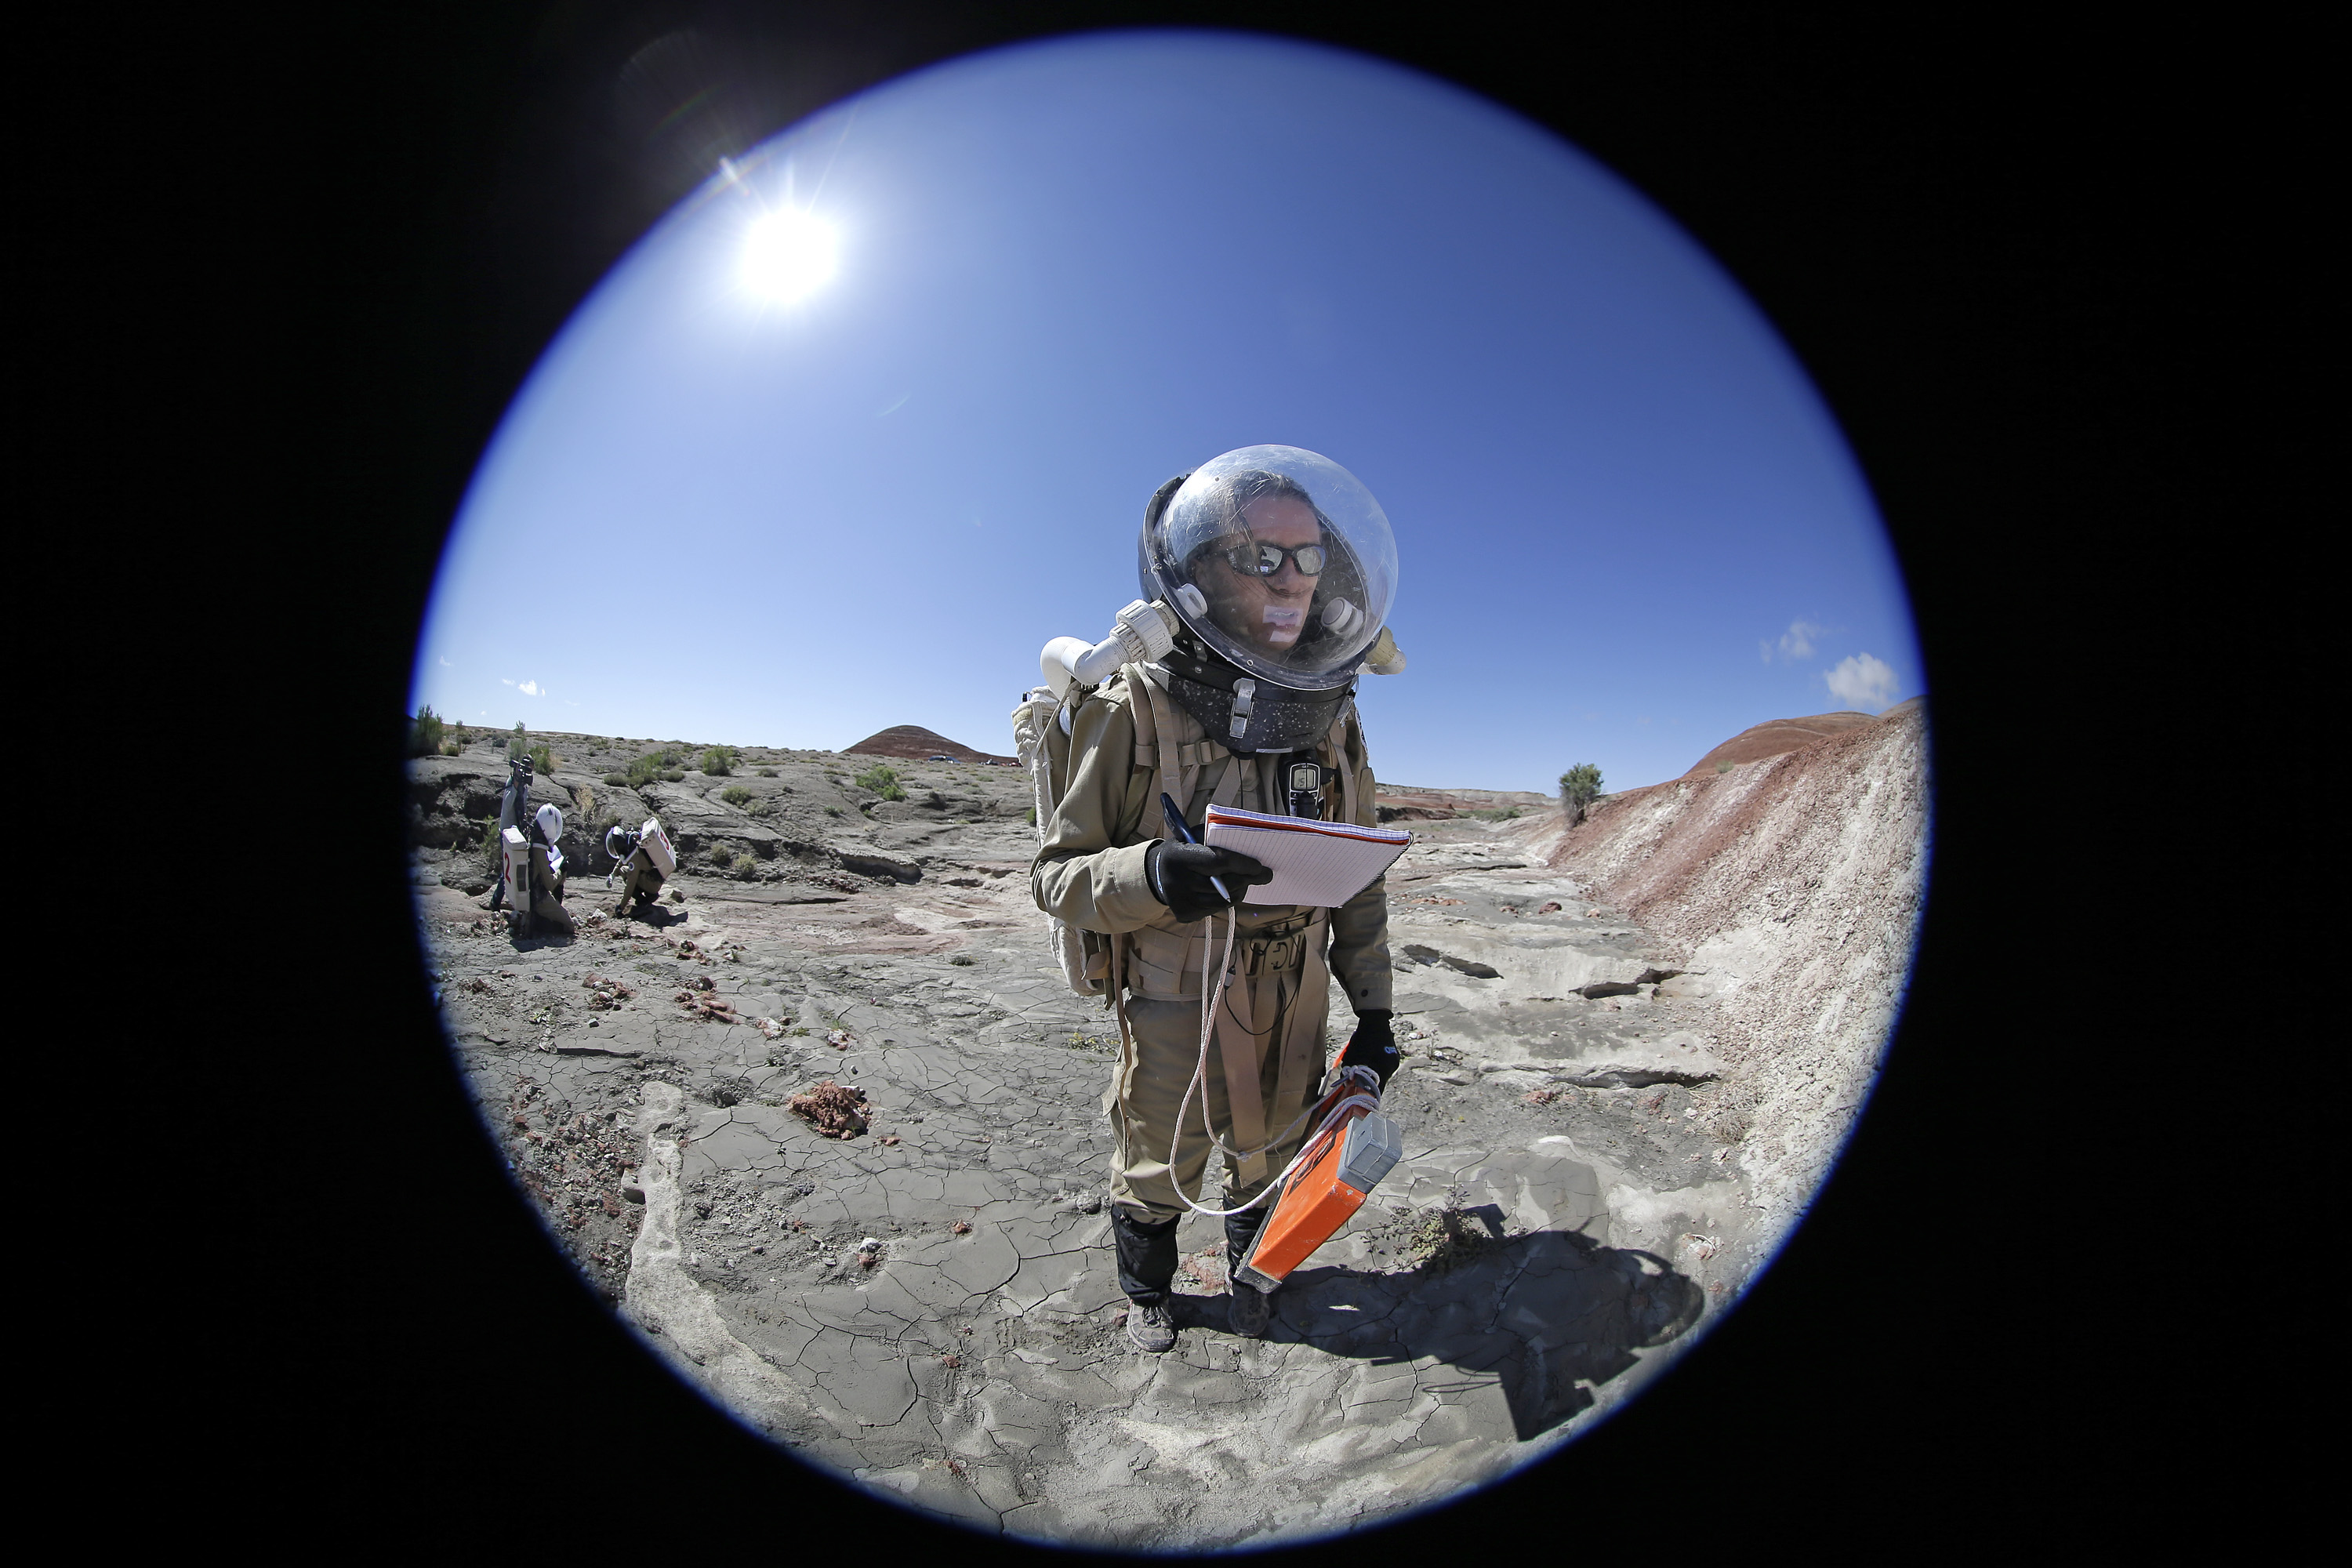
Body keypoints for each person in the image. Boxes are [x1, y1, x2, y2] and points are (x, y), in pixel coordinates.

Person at [1032, 445, 1403, 1355]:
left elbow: (1356, 880)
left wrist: (1378, 1009)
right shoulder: (1134, 710)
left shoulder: (1334, 718)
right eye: (1260, 555)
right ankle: (1148, 1295)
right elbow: (1057, 876)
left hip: (1293, 990)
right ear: (1200, 574)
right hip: (1173, 991)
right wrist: (1154, 873)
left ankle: (1253, 1275)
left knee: (1272, 1146)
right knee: (1160, 1156)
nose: (1289, 579)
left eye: (1308, 556)